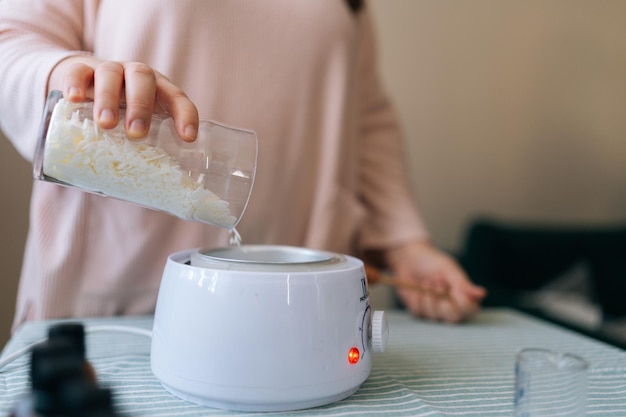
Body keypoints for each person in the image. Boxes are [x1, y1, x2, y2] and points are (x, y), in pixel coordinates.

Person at [0, 0, 485, 331]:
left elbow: (365, 115)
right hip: (115, 310)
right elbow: (10, 41)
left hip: (303, 309)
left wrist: (406, 244)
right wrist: (69, 78)